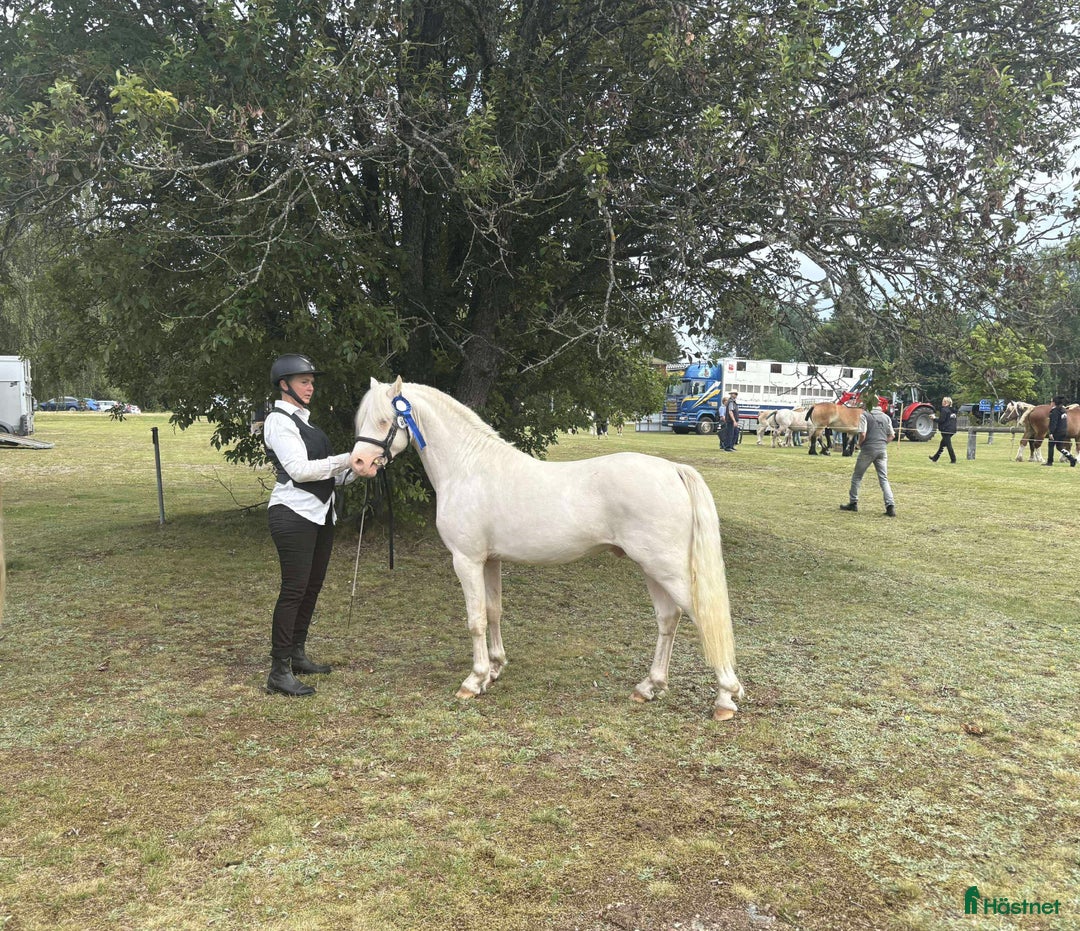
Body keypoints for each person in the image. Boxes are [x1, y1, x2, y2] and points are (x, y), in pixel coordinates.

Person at [263, 353, 357, 696]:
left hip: (320, 514)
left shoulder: (308, 423)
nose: (311, 386)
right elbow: (301, 471)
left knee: (311, 588)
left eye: (312, 382)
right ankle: (278, 670)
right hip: (292, 514)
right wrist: (347, 458)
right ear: (284, 384)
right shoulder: (279, 421)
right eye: (304, 381)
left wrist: (358, 468)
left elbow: (330, 477)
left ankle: (297, 654)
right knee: (293, 590)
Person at [840, 396, 897, 517]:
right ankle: (890, 505)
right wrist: (883, 443)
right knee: (883, 478)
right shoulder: (886, 417)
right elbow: (892, 435)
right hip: (882, 450)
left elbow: (863, 433)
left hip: (868, 449)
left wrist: (859, 445)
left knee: (857, 476)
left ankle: (853, 502)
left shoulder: (865, 415)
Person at [1045, 396, 1077, 467]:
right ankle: (1071, 458)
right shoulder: (1063, 410)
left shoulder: (1055, 411)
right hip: (1063, 431)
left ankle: (1049, 462)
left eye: (1051, 402)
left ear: (1054, 403)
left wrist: (1051, 433)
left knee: (1051, 446)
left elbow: (1054, 423)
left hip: (1056, 432)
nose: (1050, 403)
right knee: (1060, 447)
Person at [929, 396, 958, 463]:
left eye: (943, 401)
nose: (942, 402)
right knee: (942, 444)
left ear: (945, 402)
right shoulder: (953, 410)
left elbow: (941, 420)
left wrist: (934, 418)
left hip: (946, 429)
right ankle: (935, 458)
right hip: (952, 429)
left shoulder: (944, 410)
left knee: (948, 445)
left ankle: (953, 459)